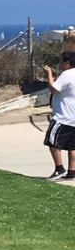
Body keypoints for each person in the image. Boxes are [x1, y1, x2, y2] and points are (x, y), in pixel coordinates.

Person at [43, 51, 75, 179]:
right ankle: (72, 171)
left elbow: (54, 89)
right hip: (73, 117)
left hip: (63, 117)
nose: (60, 64)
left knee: (52, 141)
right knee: (72, 146)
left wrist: (49, 74)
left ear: (67, 63)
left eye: (62, 61)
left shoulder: (67, 74)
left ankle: (59, 168)